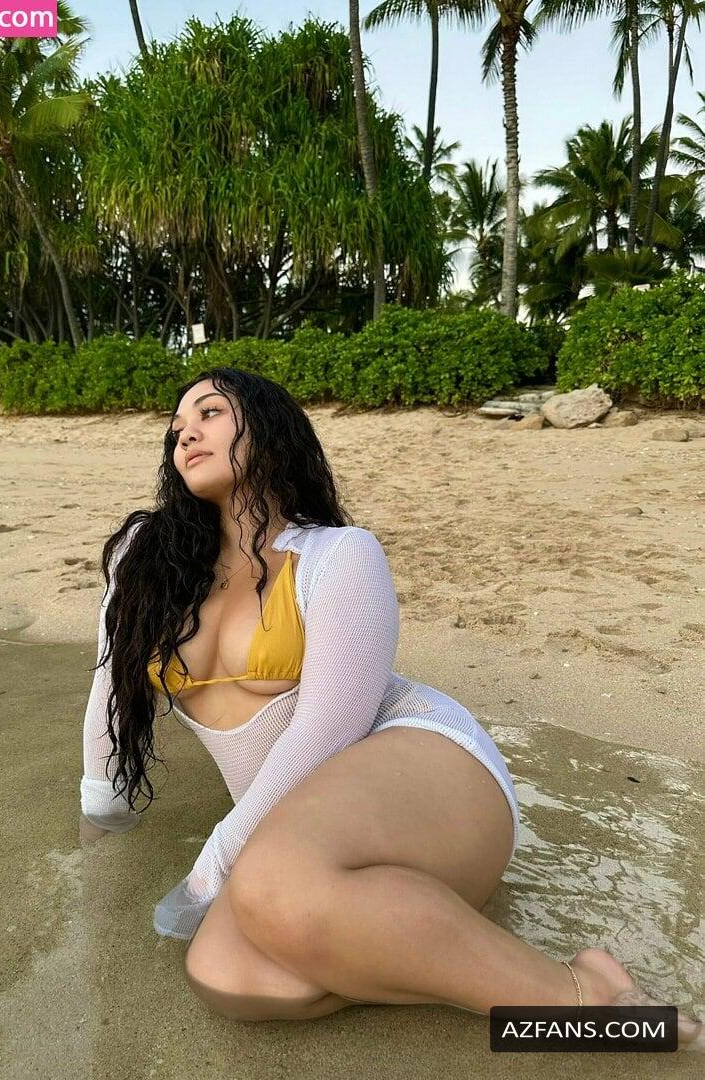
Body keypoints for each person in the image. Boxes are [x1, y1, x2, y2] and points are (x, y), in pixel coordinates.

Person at [79, 366, 704, 1040]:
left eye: (210, 413)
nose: (186, 434)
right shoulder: (145, 562)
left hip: (422, 768)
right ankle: (411, 931)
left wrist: (216, 862)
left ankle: (584, 997)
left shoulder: (338, 555)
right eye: (177, 427)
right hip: (303, 829)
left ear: (268, 429)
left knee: (269, 883)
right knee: (226, 975)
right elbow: (108, 690)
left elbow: (327, 732)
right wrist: (98, 823)